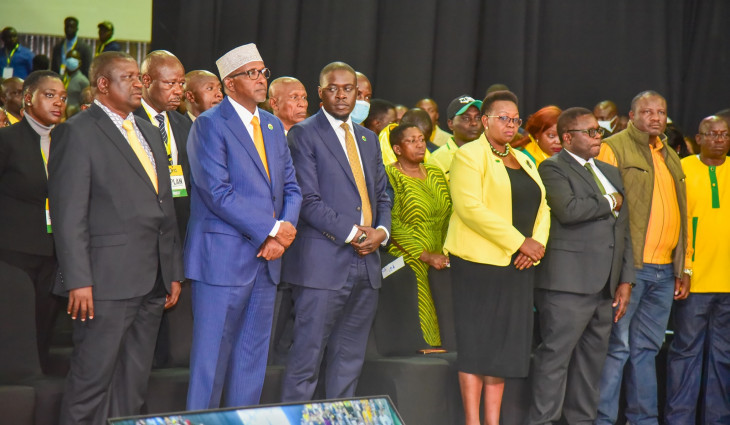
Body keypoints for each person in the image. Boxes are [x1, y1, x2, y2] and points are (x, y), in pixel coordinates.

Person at [48, 51, 184, 424]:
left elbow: (164, 208)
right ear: (103, 85)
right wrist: (78, 280)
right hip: (104, 282)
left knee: (133, 383)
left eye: (139, 77)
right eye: (129, 77)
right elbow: (68, 215)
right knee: (91, 381)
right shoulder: (76, 132)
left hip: (152, 279)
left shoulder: (147, 130)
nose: (139, 83)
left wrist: (172, 269)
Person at [184, 43, 302, 409]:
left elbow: (292, 188)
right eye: (251, 73)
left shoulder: (269, 124)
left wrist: (281, 236)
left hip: (267, 261)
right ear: (229, 83)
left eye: (263, 72)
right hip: (222, 260)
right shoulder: (209, 125)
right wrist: (271, 230)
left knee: (251, 363)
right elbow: (217, 193)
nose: (261, 79)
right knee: (210, 363)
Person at [282, 61, 392, 401]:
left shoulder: (368, 138)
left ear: (358, 94)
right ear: (320, 93)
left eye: (349, 89)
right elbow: (308, 200)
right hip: (322, 265)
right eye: (334, 88)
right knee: (306, 361)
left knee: (349, 362)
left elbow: (383, 195)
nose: (342, 95)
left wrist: (381, 233)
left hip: (367, 263)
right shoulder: (304, 133)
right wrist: (356, 234)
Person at [445, 90, 549, 425]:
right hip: (478, 266)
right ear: (485, 120)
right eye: (503, 118)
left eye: (515, 119)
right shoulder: (469, 156)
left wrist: (536, 247)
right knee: (478, 347)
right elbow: (470, 208)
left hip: (518, 266)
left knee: (504, 348)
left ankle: (493, 421)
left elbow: (544, 206)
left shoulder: (526, 158)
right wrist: (520, 242)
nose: (510, 124)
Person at [528, 107, 634, 425]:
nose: (596, 137)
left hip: (605, 286)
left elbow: (625, 230)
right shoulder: (552, 168)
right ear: (567, 138)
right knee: (555, 359)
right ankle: (543, 421)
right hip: (567, 284)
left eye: (598, 131)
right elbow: (569, 210)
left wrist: (626, 279)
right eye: (589, 132)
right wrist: (609, 201)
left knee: (591, 365)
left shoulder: (610, 172)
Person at [595, 90, 689, 425]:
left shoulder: (670, 155)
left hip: (665, 270)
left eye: (660, 112)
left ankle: (644, 420)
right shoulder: (614, 147)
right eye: (647, 111)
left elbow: (683, 213)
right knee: (616, 350)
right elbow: (603, 210)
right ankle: (603, 420)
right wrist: (619, 271)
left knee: (646, 351)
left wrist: (683, 266)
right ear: (631, 115)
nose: (655, 118)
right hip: (630, 269)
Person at [665, 116, 730, 425]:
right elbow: (678, 224)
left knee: (724, 359)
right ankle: (680, 420)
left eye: (725, 134)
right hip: (694, 281)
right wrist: (683, 268)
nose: (719, 139)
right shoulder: (683, 169)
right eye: (712, 134)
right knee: (685, 354)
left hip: (728, 283)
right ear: (699, 138)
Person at [0, 70, 66, 372]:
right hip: (13, 252)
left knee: (43, 327)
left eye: (63, 98)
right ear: (28, 98)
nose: (59, 103)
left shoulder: (67, 140)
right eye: (50, 95)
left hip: (54, 252)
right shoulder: (7, 140)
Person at [386, 124, 451, 347]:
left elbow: (449, 212)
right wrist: (424, 255)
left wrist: (443, 252)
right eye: (411, 141)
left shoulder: (435, 172)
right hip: (408, 255)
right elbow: (391, 223)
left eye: (421, 139)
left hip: (441, 254)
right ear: (397, 148)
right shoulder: (390, 175)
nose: (420, 144)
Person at [133, 50, 192, 243]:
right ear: (147, 81)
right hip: (140, 229)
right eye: (170, 83)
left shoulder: (183, 124)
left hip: (177, 230)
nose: (178, 91)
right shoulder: (128, 121)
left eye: (181, 84)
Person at [428, 95, 483, 179]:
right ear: (451, 124)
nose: (474, 123)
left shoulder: (491, 154)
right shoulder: (436, 160)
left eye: (478, 117)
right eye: (466, 118)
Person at [63, 49, 89, 116]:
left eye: (74, 58)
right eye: (69, 58)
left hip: (75, 116)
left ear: (79, 63)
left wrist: (74, 109)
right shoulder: (61, 78)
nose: (71, 60)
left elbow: (87, 103)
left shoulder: (83, 81)